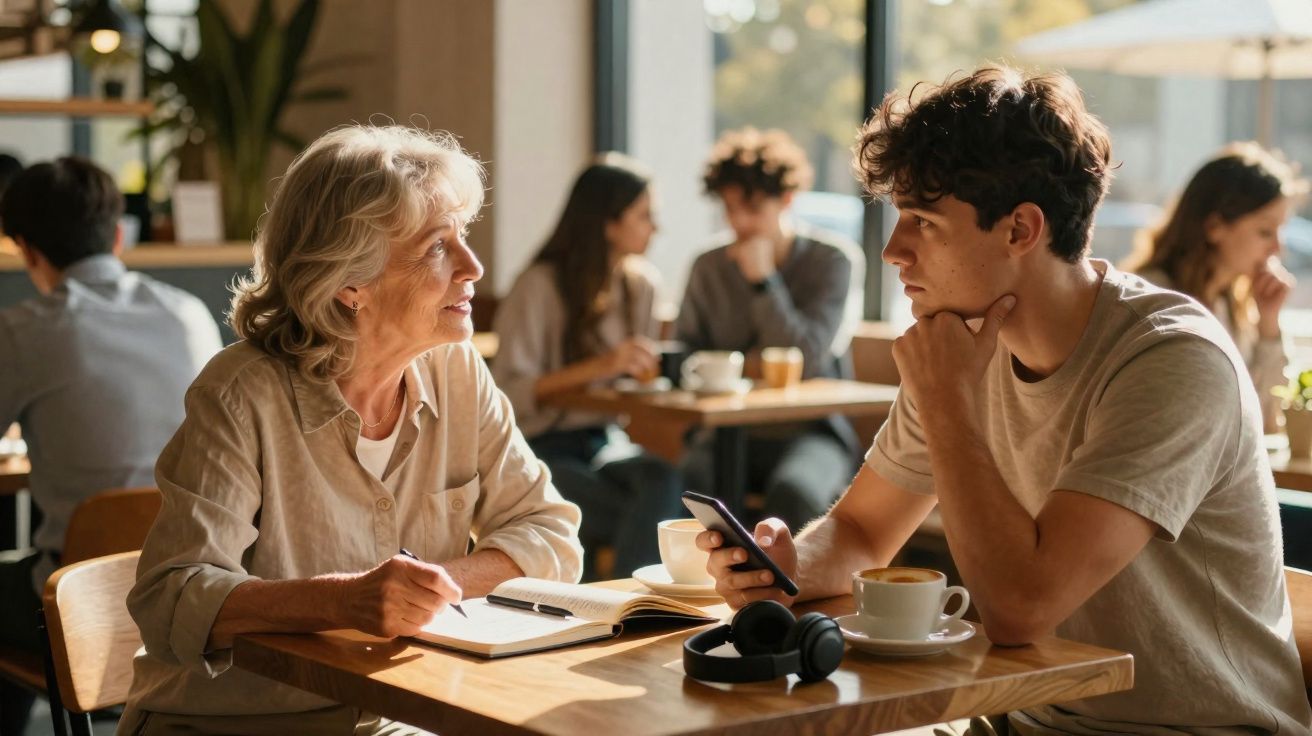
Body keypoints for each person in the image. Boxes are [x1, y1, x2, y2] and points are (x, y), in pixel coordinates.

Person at [699, 68, 1312, 733]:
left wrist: (946, 401)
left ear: (1021, 230)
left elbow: (1022, 607)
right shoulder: (962, 344)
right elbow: (864, 531)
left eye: (923, 222)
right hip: (1013, 717)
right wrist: (790, 566)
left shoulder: (1171, 359)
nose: (893, 250)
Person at [119, 125, 583, 735]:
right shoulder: (240, 393)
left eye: (462, 237)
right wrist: (342, 600)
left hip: (391, 716)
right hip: (229, 722)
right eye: (437, 246)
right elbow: (173, 595)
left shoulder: (456, 370)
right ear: (349, 283)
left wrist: (433, 589)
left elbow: (552, 536)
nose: (473, 267)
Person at [0, 156, 221, 734]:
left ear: (26, 249)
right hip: (201, 591)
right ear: (119, 233)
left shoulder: (25, 330)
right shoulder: (188, 314)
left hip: (83, 605)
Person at [492, 154, 684, 581]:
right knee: (646, 516)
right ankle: (630, 607)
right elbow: (508, 393)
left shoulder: (642, 286)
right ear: (608, 223)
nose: (656, 227)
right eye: (644, 215)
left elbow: (637, 383)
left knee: (663, 479)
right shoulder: (538, 287)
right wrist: (604, 365)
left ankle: (612, 601)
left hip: (605, 441)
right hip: (540, 445)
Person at [675, 127, 866, 531]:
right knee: (691, 487)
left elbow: (807, 357)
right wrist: (750, 364)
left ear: (787, 200)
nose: (739, 221)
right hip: (723, 431)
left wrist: (764, 282)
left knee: (794, 494)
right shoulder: (707, 267)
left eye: (753, 207)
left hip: (813, 431)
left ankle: (777, 598)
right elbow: (685, 357)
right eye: (729, 208)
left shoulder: (832, 261)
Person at [1125, 142, 1306, 433]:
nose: (1277, 248)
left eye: (1280, 232)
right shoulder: (1151, 300)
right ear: (1214, 227)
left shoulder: (1232, 307)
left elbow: (1269, 422)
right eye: (1265, 231)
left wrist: (1268, 325)